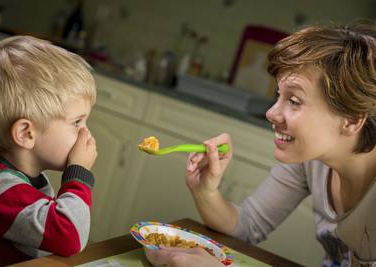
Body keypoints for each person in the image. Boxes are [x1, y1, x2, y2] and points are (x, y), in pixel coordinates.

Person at [149, 23, 376, 267]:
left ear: (352, 120)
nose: (271, 113)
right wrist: (205, 191)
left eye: (294, 100)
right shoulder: (312, 161)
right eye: (279, 95)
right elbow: (248, 224)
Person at [0, 35, 97, 266]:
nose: (86, 133)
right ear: (26, 134)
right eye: (77, 122)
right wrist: (79, 174)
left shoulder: (21, 177)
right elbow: (69, 237)